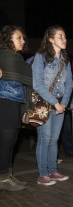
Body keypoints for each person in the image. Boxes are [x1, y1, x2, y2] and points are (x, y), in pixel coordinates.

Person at [32, 25, 73, 186]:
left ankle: (53, 171)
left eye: (64, 36)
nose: (64, 39)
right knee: (45, 138)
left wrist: (63, 103)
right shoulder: (40, 57)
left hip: (60, 105)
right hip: (45, 103)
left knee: (54, 139)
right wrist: (55, 103)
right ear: (50, 39)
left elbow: (69, 85)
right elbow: (37, 84)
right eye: (60, 36)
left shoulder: (65, 60)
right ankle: (42, 174)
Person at [0, 25, 33, 191]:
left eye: (23, 38)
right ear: (8, 39)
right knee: (5, 142)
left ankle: (8, 174)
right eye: (18, 37)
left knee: (12, 141)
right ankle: (3, 178)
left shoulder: (17, 58)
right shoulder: (7, 56)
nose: (22, 41)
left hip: (14, 101)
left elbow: (27, 81)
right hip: (5, 101)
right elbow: (29, 79)